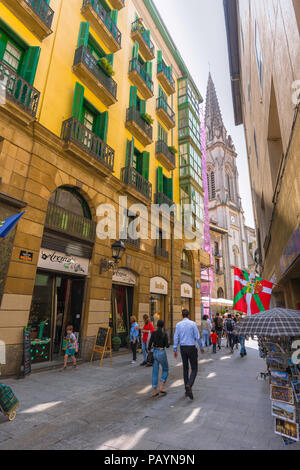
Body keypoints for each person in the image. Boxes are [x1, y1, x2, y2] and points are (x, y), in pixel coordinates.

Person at [173, 309, 205, 400]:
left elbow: (176, 337)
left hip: (183, 348)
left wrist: (175, 349)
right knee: (194, 368)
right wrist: (201, 347)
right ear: (189, 315)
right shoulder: (193, 324)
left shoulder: (178, 325)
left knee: (185, 368)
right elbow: (197, 337)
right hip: (191, 347)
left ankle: (187, 389)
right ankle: (189, 385)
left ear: (182, 315)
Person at [148, 320, 169, 397]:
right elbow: (167, 345)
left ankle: (154, 391)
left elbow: (149, 344)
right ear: (163, 326)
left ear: (157, 325)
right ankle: (161, 386)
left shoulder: (153, 333)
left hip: (155, 352)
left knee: (155, 372)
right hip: (161, 352)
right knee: (166, 369)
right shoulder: (164, 334)